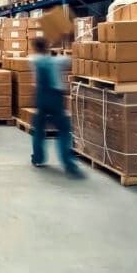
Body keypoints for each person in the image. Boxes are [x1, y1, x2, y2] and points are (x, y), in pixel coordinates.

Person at [30, 38, 82, 176]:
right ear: (47, 47)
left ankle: (38, 158)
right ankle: (68, 162)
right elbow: (69, 59)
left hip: (40, 99)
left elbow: (38, 58)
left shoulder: (34, 60)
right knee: (64, 130)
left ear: (35, 48)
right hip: (55, 99)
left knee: (38, 129)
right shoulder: (57, 61)